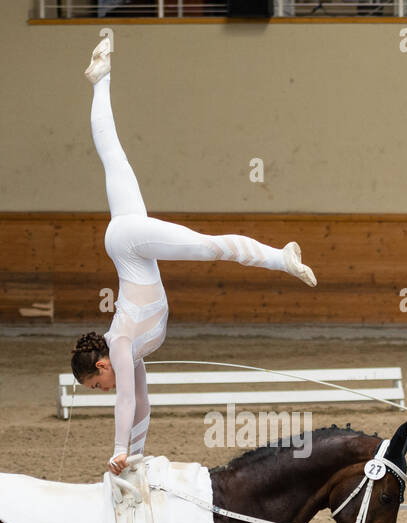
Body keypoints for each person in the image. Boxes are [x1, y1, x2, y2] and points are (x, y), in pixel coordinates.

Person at [69, 37, 316, 476]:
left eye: (96, 383)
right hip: (129, 245)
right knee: (113, 155)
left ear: (102, 365)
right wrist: (130, 459)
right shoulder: (129, 355)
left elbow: (125, 400)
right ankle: (100, 79)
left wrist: (115, 446)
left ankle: (281, 258)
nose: (103, 389)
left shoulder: (122, 346)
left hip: (127, 240)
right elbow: (141, 402)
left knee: (206, 246)